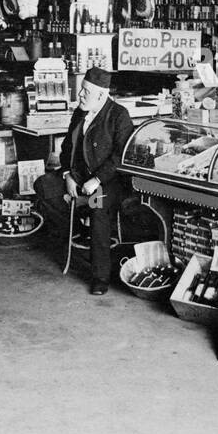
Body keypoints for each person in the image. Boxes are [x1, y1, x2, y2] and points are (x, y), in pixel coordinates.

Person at [34, 67, 134, 296]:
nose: (79, 96)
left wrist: (97, 180)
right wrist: (68, 174)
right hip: (77, 177)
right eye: (81, 90)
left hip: (105, 183)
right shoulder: (80, 112)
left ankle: (100, 277)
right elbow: (67, 147)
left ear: (101, 95)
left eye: (85, 92)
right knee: (43, 186)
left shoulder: (119, 115)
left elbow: (121, 156)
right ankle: (77, 229)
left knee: (97, 210)